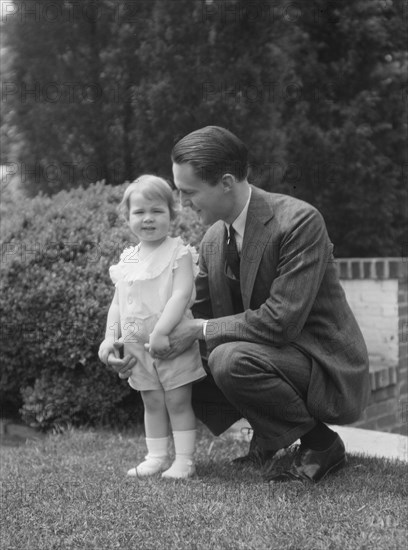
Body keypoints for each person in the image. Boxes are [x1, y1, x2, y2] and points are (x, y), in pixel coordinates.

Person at [109, 126, 370, 484]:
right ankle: (268, 437)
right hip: (269, 351)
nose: (182, 204)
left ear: (226, 182)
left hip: (320, 359)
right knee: (180, 354)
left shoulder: (299, 221)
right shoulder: (215, 237)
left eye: (189, 192)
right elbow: (191, 310)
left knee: (227, 358)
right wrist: (133, 345)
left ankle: (321, 443)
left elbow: (281, 321)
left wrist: (199, 330)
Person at [98, 175, 206, 479]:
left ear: (172, 214)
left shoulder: (179, 252)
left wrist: (161, 332)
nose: (148, 218)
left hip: (171, 341)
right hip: (136, 344)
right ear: (127, 217)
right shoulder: (129, 258)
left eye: (157, 211)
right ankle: (156, 456)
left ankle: (184, 459)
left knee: (177, 400)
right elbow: (118, 303)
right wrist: (110, 339)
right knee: (152, 400)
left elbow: (181, 294)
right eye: (139, 212)